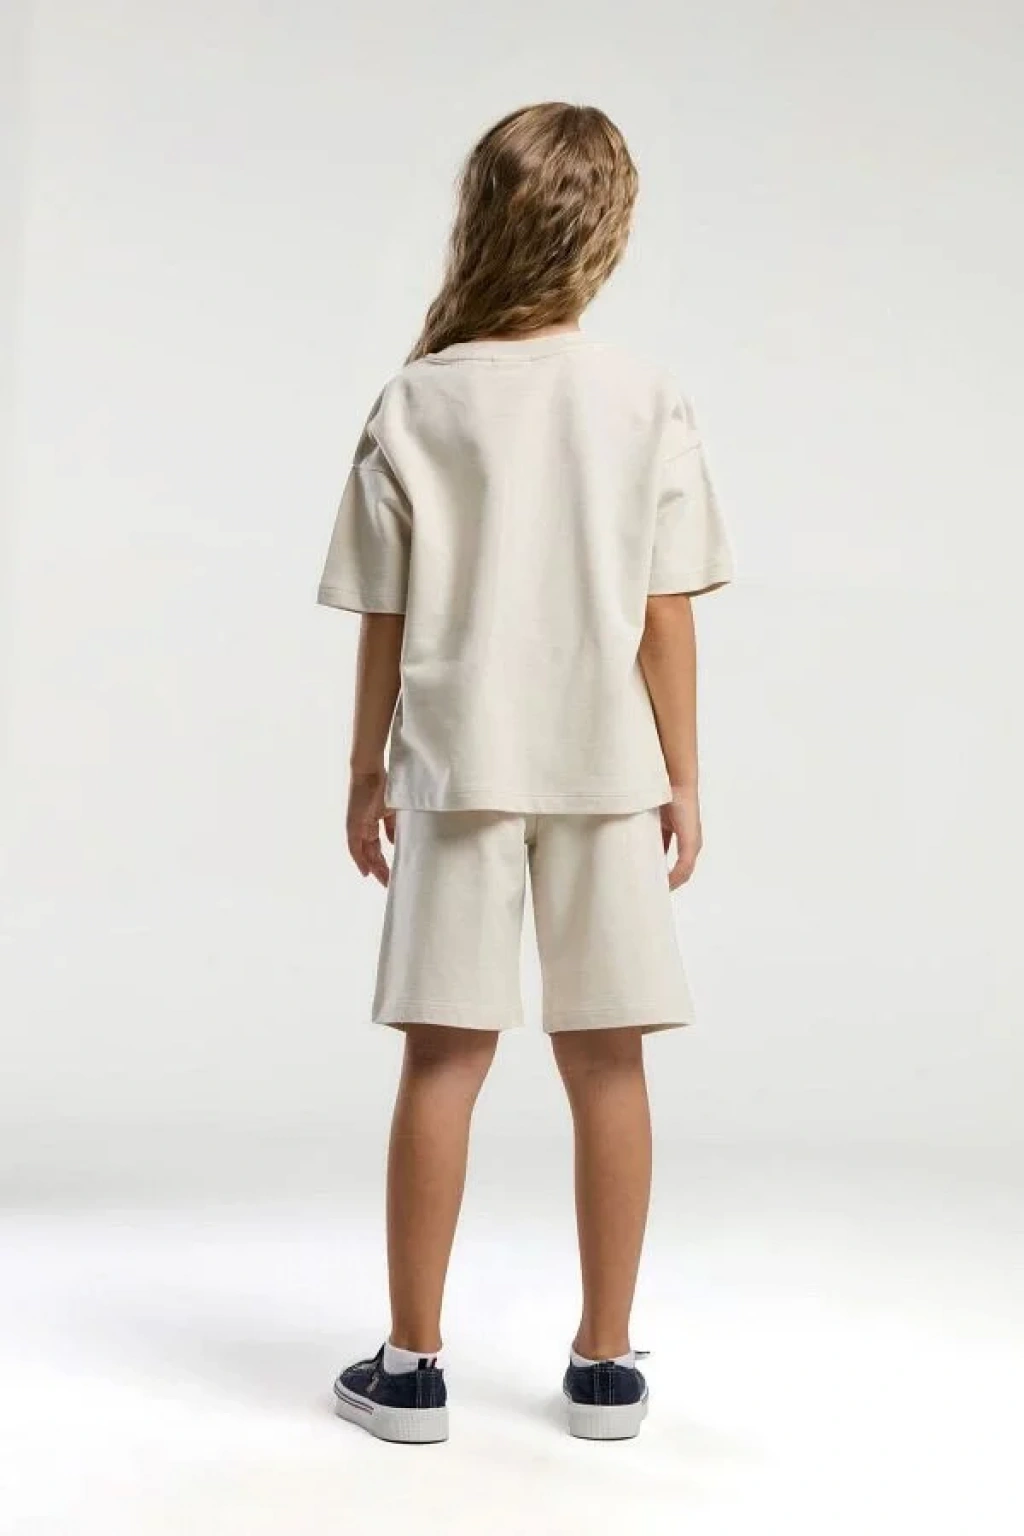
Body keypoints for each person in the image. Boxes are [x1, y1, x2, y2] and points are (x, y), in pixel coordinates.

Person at [317, 102, 733, 1444]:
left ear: (481, 217)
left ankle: (411, 1369)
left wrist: (365, 773)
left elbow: (386, 617)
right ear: (606, 231)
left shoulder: (419, 398)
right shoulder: (644, 397)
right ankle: (606, 1367)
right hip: (606, 765)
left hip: (457, 764)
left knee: (444, 1060)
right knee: (608, 1062)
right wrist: (683, 775)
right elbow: (665, 614)